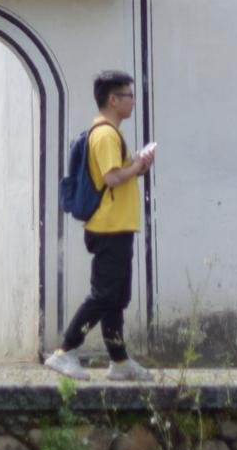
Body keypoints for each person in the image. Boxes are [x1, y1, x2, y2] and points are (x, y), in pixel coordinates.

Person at [44, 69, 155, 382]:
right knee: (104, 296)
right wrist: (136, 165)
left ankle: (119, 361)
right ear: (113, 100)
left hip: (117, 225)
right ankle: (65, 350)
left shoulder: (108, 133)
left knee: (116, 299)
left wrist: (137, 166)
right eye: (129, 96)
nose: (133, 101)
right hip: (109, 227)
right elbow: (112, 177)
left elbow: (117, 174)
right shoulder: (106, 135)